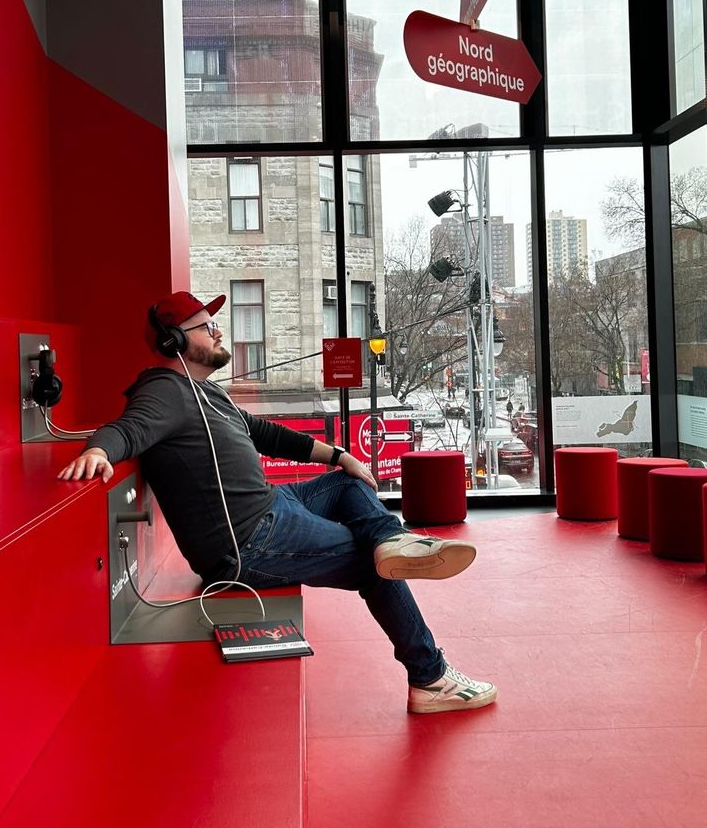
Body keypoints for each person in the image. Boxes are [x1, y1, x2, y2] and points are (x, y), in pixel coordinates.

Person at [58, 291, 497, 714]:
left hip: (273, 507)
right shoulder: (165, 392)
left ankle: (391, 538)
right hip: (248, 545)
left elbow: (265, 433)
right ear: (173, 339)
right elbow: (128, 428)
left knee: (346, 482)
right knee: (374, 567)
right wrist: (98, 451)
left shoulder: (205, 392)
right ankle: (431, 679)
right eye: (206, 326)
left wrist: (339, 454)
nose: (218, 333)